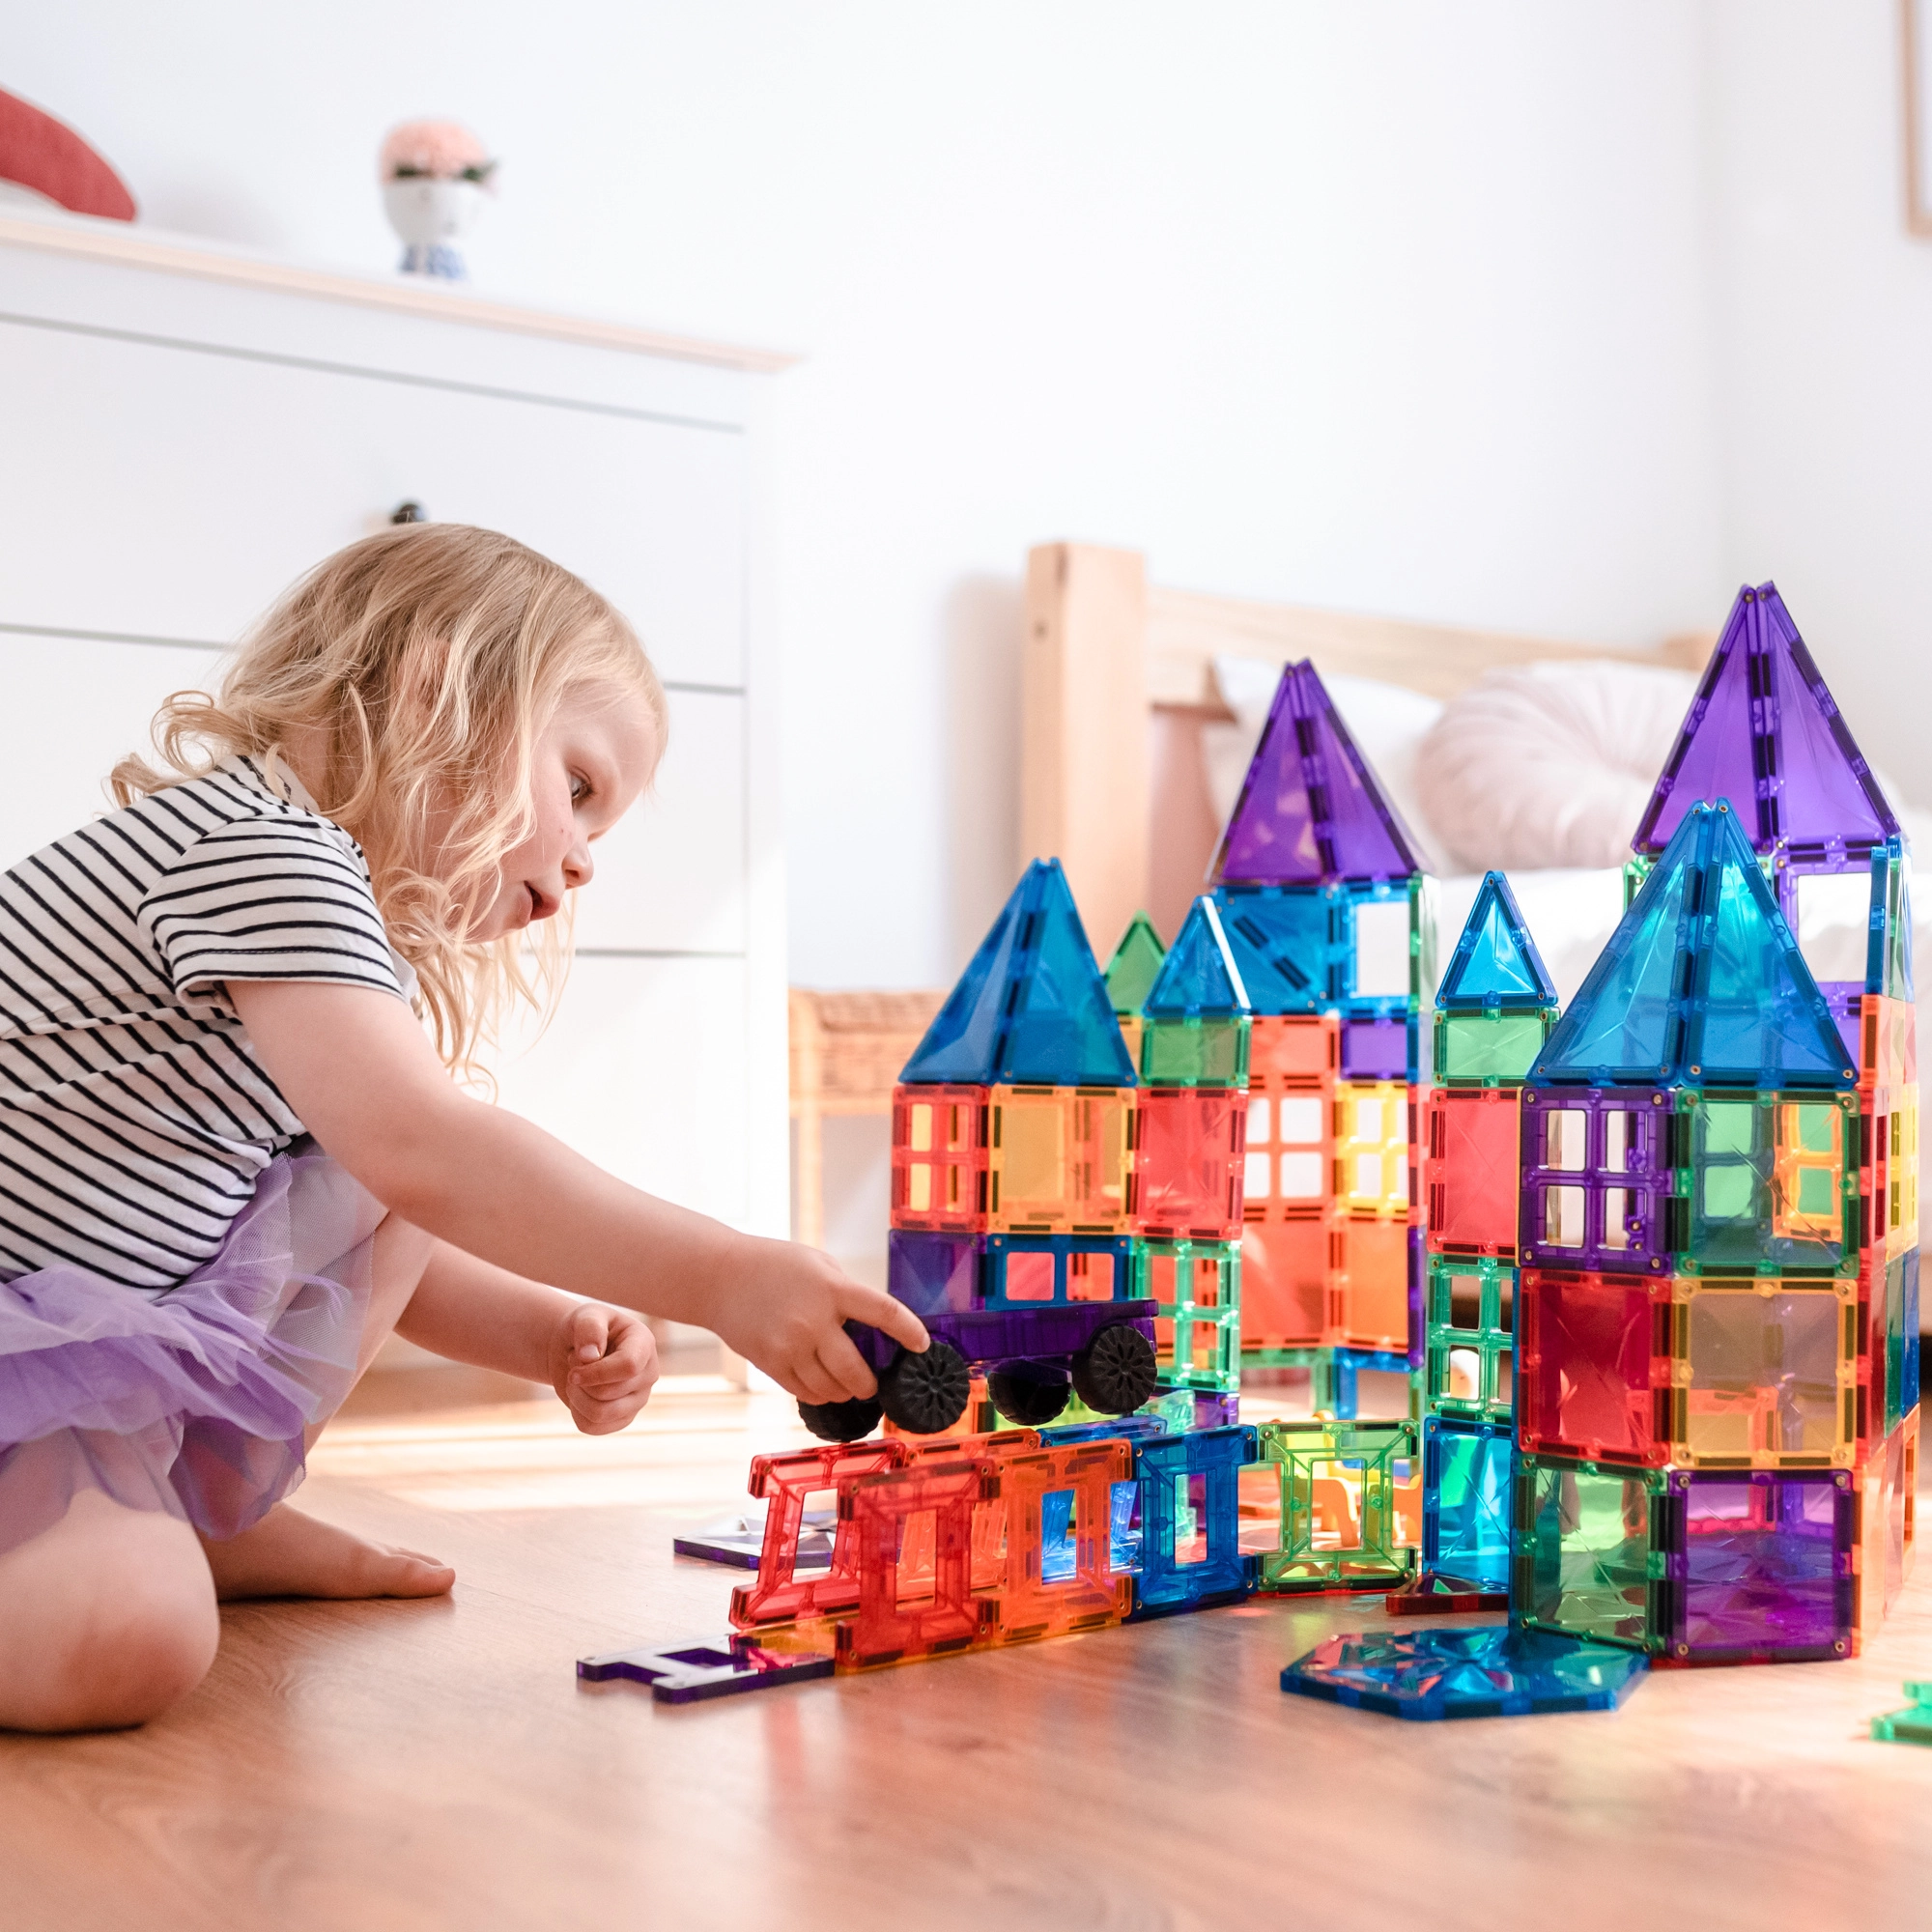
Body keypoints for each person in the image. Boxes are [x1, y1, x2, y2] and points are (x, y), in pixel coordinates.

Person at [0, 525, 927, 1733]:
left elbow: (376, 1208)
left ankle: (185, 1507)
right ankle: (148, 1529)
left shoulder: (311, 911)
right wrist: (720, 1275)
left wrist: (544, 1335)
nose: (583, 862)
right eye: (578, 788)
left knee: (354, 1171)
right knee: (127, 1640)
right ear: (436, 685)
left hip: (67, 1349)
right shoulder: (260, 851)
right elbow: (428, 1152)